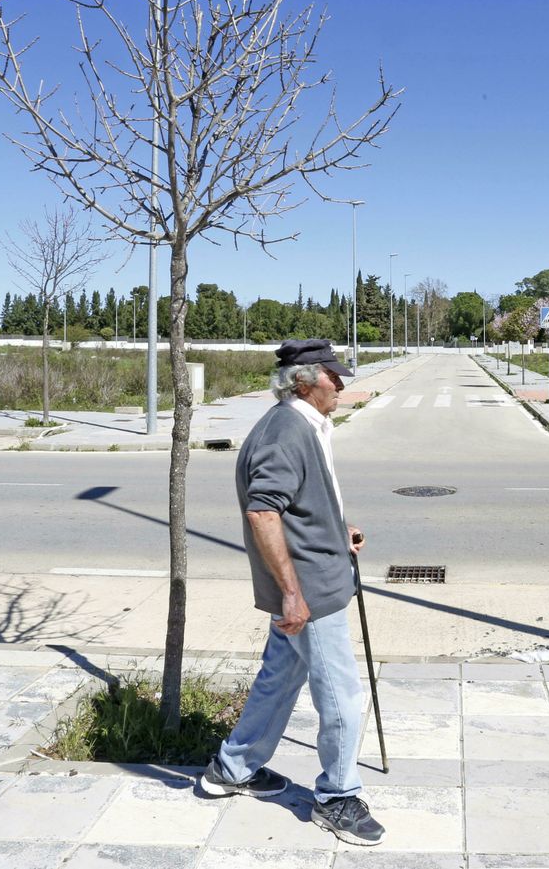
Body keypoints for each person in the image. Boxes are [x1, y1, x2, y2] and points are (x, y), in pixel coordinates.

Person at [200, 338, 385, 846]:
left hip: (314, 575)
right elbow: (263, 512)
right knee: (342, 694)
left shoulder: (305, 424)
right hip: (309, 591)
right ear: (305, 381)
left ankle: (233, 767)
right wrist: (291, 593)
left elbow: (299, 503)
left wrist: (335, 529)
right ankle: (337, 798)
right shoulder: (286, 430)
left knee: (279, 679)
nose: (343, 384)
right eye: (334, 375)